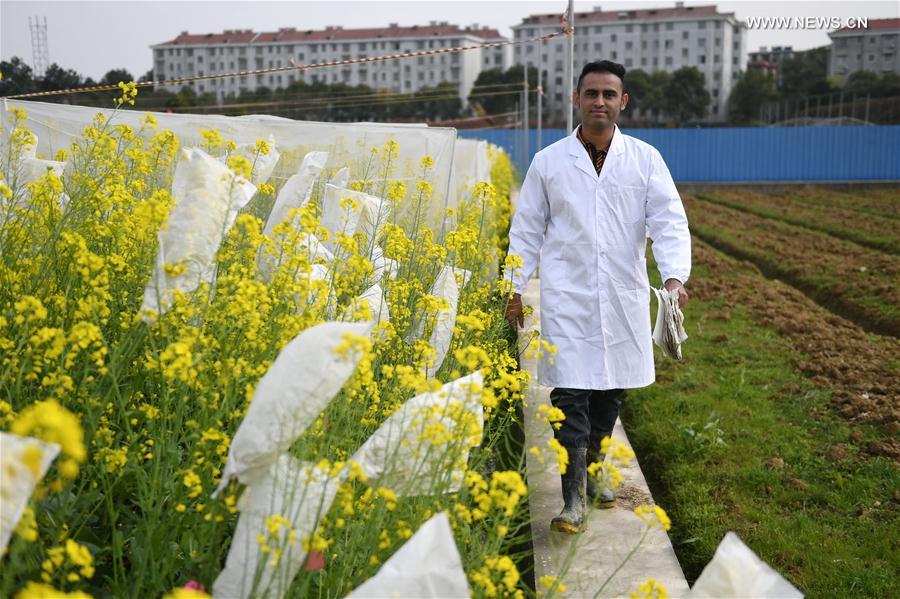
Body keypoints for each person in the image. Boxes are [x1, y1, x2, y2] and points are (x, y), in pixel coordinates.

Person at [504, 60, 691, 534]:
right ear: (577, 100)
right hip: (568, 297)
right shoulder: (549, 162)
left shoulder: (645, 159)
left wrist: (673, 278)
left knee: (610, 392)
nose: (600, 102)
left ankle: (591, 474)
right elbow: (526, 229)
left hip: (622, 294)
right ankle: (572, 499)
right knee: (569, 395)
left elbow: (668, 221)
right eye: (592, 93)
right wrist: (513, 286)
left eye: (610, 94)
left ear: (622, 101)